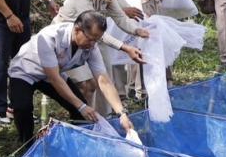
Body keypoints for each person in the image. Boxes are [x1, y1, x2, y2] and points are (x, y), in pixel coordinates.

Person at [8, 10, 136, 142]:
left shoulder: (92, 46)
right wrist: (81, 106)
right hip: (26, 71)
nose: (92, 44)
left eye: (96, 40)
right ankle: (27, 144)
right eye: (90, 39)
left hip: (53, 74)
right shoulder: (49, 37)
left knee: (81, 113)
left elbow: (104, 81)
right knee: (22, 108)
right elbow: (55, 79)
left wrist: (122, 114)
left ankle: (78, 142)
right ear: (77, 30)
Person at [54, 0, 148, 105]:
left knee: (94, 84)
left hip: (85, 41)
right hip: (63, 42)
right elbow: (94, 32)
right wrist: (124, 47)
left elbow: (119, 16)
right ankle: (83, 122)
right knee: (85, 86)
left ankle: (93, 120)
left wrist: (138, 31)